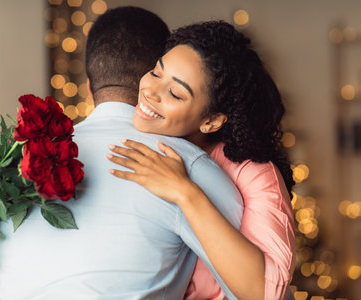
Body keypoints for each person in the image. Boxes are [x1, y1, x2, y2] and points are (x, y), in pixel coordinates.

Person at [0, 7, 245, 299]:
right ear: (148, 77)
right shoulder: (191, 168)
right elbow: (262, 288)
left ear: (89, 86)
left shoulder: (21, 162)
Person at [107, 21, 295, 299]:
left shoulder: (254, 174)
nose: (150, 91)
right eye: (156, 72)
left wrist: (185, 193)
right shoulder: (123, 137)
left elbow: (266, 292)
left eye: (175, 93)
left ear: (211, 121)